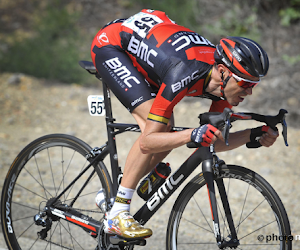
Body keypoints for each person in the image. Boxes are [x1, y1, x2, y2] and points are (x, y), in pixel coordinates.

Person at [90, 9, 278, 240]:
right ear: (223, 72)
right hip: (113, 46)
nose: (249, 92)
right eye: (245, 84)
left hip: (153, 47)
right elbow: (148, 142)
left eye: (253, 85)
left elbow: (214, 142)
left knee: (167, 136)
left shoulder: (224, 89)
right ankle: (117, 213)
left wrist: (254, 135)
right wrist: (192, 134)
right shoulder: (184, 72)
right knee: (160, 131)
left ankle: (119, 186)